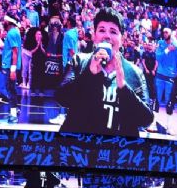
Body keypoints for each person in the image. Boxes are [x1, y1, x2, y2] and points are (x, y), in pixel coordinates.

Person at [55, 8, 154, 138]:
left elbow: (146, 120)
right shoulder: (79, 60)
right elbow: (61, 98)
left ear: (122, 38)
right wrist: (89, 73)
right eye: (102, 30)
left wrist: (123, 87)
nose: (107, 36)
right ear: (94, 35)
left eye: (113, 31)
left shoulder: (135, 72)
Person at [0, 15, 21, 124]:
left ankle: (13, 116)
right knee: (11, 90)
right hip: (10, 66)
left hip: (9, 67)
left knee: (10, 90)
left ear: (9, 22)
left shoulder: (11, 33)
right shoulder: (14, 32)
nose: (3, 22)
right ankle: (13, 112)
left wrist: (13, 69)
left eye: (5, 21)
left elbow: (15, 51)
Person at [155, 27, 177, 124]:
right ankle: (153, 123)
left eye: (166, 32)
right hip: (160, 74)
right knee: (157, 99)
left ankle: (168, 126)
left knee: (169, 101)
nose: (164, 33)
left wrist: (176, 71)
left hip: (170, 76)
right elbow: (158, 57)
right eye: (163, 32)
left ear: (171, 33)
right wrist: (167, 50)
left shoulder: (176, 45)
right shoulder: (161, 43)